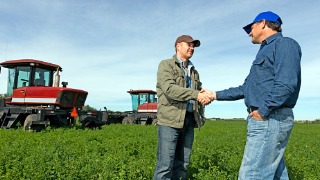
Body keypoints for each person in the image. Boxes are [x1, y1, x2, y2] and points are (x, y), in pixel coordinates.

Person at [203, 11, 302, 179]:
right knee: (276, 174)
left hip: (271, 118)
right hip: (268, 118)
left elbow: (286, 84)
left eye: (251, 27)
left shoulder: (285, 44)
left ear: (263, 23)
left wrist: (263, 111)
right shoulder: (264, 51)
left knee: (251, 174)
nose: (249, 32)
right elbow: (245, 88)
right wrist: (214, 94)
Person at [153, 35, 212, 180]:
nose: (192, 48)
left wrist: (204, 99)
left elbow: (198, 93)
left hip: (189, 120)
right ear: (178, 46)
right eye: (189, 45)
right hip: (170, 121)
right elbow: (170, 89)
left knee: (182, 164)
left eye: (194, 46)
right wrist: (197, 94)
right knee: (165, 166)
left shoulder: (194, 71)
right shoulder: (166, 65)